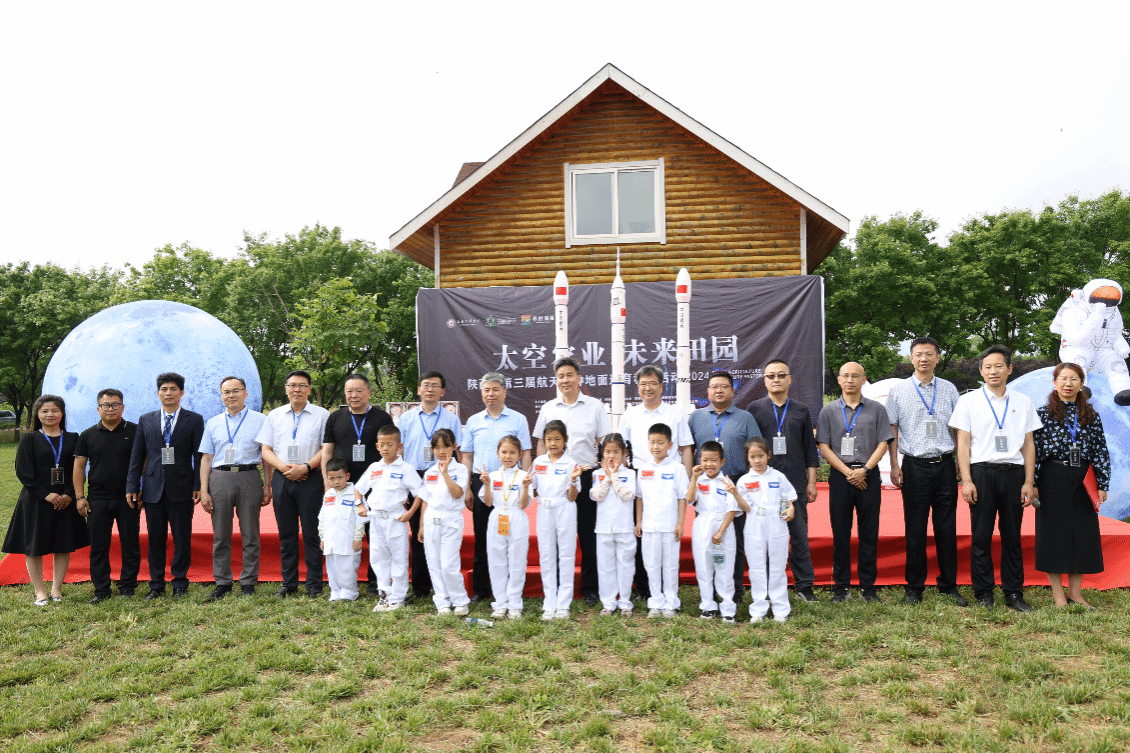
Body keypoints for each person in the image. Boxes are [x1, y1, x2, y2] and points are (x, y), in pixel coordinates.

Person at [949, 344, 1041, 611]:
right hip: (982, 473)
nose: (993, 371)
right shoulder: (968, 401)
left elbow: (1029, 445)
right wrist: (967, 480)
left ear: (1009, 369)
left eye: (999, 366)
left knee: (1012, 536)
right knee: (981, 536)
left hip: (1014, 474)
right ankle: (983, 593)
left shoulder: (1023, 401)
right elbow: (963, 444)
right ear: (980, 371)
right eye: (987, 367)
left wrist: (1029, 481)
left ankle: (1014, 593)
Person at [884, 338, 968, 606]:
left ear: (937, 358)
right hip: (914, 467)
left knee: (947, 528)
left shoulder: (949, 389)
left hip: (945, 465)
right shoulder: (898, 391)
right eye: (918, 354)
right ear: (911, 358)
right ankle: (914, 587)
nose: (924, 359)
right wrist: (894, 464)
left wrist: (960, 461)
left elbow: (959, 428)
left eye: (929, 354)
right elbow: (892, 429)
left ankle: (949, 585)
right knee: (915, 529)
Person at [532, 357, 611, 606]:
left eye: (569, 375)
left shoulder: (595, 406)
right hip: (554, 479)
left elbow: (605, 442)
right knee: (554, 536)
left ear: (579, 378)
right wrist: (539, 477)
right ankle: (554, 587)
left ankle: (590, 588)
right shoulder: (548, 408)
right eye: (560, 376)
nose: (565, 380)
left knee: (588, 535)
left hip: (586, 476)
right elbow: (541, 444)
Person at [1032, 362, 1108, 608]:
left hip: (1083, 478)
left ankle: (1075, 594)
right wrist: (1033, 482)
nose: (1068, 383)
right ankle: (1058, 595)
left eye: (1074, 379)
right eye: (1063, 378)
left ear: (1081, 384)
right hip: (1051, 477)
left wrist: (1102, 483)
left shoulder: (1091, 415)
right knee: (1053, 534)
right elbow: (1033, 450)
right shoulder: (1042, 413)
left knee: (1083, 534)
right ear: (1054, 383)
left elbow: (1100, 449)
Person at [816, 362, 893, 603]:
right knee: (840, 533)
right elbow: (824, 447)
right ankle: (841, 587)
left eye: (855, 376)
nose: (850, 380)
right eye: (846, 376)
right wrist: (849, 473)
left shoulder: (877, 409)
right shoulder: (828, 411)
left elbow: (883, 442)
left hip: (869, 475)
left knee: (869, 532)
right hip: (841, 477)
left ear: (864, 380)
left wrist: (865, 470)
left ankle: (868, 588)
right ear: (839, 380)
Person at [3, 394, 88, 605]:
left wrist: (69, 493)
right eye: (45, 411)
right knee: (34, 546)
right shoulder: (29, 439)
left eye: (54, 410)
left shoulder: (73, 438)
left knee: (63, 544)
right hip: (36, 500)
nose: (50, 414)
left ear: (62, 413)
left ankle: (56, 589)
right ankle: (40, 591)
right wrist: (46, 494)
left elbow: (78, 469)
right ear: (38, 414)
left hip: (65, 501)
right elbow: (23, 472)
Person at [126, 373, 205, 600]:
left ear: (181, 392)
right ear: (158, 393)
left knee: (182, 538)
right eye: (164, 389)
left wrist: (198, 484)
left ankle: (180, 583)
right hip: (152, 489)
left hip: (182, 487)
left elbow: (199, 455)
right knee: (155, 540)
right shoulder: (146, 419)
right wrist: (132, 485)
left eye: (173, 389)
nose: (168, 393)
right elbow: (137, 456)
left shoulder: (194, 419)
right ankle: (156, 585)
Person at [620, 365, 693, 602]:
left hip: (670, 477)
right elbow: (622, 449)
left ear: (662, 386)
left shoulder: (674, 413)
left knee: (669, 533)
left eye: (652, 383)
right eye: (643, 384)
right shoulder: (630, 414)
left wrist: (688, 481)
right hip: (640, 476)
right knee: (642, 534)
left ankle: (669, 591)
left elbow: (685, 448)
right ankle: (645, 589)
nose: (647, 388)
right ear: (637, 387)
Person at [749, 359, 820, 602]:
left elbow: (810, 449)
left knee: (799, 536)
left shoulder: (801, 410)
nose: (776, 379)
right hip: (764, 486)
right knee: (766, 538)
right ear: (765, 381)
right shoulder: (755, 409)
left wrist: (812, 482)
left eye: (781, 375)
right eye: (771, 376)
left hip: (795, 484)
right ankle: (768, 586)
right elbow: (751, 451)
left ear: (790, 379)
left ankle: (804, 585)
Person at [256, 370, 330, 598]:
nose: (297, 389)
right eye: (292, 385)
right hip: (282, 479)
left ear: (309, 389)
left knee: (311, 533)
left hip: (311, 478)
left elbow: (326, 449)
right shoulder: (275, 415)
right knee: (286, 535)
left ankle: (314, 584)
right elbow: (265, 449)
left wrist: (305, 467)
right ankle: (289, 583)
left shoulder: (322, 415)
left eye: (302, 385)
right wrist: (283, 468)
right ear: (286, 389)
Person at [688, 371, 760, 604]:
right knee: (708, 540)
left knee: (733, 541)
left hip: (735, 484)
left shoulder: (745, 417)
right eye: (714, 387)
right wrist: (692, 478)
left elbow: (755, 451)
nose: (719, 390)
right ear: (708, 391)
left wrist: (749, 484)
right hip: (705, 487)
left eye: (724, 386)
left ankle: (734, 592)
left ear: (732, 391)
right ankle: (709, 594)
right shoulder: (696, 417)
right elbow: (688, 450)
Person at [461, 372, 532, 604]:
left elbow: (526, 453)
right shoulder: (474, 421)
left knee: (510, 538)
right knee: (482, 537)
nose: (490, 394)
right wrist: (467, 487)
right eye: (486, 390)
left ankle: (512, 589)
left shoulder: (518, 419)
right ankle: (482, 590)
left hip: (510, 485)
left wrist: (526, 481)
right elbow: (467, 456)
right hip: (482, 484)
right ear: (481, 393)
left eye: (495, 389)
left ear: (504, 392)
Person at [321, 373, 394, 597]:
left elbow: (390, 450)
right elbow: (327, 451)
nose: (354, 395)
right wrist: (327, 483)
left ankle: (376, 582)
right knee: (345, 532)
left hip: (374, 487)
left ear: (369, 393)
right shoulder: (336, 417)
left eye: (359, 391)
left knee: (376, 536)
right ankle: (342, 581)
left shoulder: (381, 417)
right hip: (342, 487)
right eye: (349, 391)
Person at [198, 376, 269, 601]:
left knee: (250, 533)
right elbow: (206, 458)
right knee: (221, 535)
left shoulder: (260, 420)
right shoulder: (213, 423)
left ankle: (248, 581)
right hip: (220, 478)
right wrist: (204, 490)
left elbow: (266, 456)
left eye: (236, 390)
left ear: (245, 393)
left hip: (249, 476)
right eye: (226, 392)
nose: (231, 395)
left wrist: (267, 485)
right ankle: (223, 582)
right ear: (221, 396)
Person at [397, 371, 462, 603]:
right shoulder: (406, 418)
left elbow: (458, 450)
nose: (430, 389)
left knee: (443, 532)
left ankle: (445, 585)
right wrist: (403, 484)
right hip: (414, 475)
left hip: (442, 474)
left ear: (442, 392)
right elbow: (400, 451)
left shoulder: (451, 419)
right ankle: (421, 587)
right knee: (419, 532)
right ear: (418, 390)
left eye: (435, 386)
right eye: (426, 385)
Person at [72, 389, 140, 603]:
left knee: (130, 544)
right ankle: (101, 590)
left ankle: (128, 586)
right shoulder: (88, 435)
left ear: (122, 407)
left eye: (115, 405)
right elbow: (79, 467)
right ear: (98, 408)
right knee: (98, 547)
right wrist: (80, 497)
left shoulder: (136, 431)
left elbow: (146, 462)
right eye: (105, 405)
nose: (110, 409)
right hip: (97, 498)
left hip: (128, 497)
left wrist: (143, 488)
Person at [354, 424, 423, 612]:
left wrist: (410, 513)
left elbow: (420, 493)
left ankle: (398, 597)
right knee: (378, 558)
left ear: (399, 446)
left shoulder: (406, 468)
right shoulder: (374, 467)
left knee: (399, 558)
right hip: (376, 519)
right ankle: (384, 595)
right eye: (382, 445)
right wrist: (359, 505)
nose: (385, 448)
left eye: (390, 445)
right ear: (377, 446)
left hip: (396, 519)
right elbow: (358, 489)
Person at [734, 437, 796, 622]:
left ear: (768, 455)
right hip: (755, 522)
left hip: (776, 521)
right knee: (756, 567)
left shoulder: (778, 476)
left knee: (778, 565)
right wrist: (735, 494)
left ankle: (780, 608)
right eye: (752, 457)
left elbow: (788, 497)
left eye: (760, 456)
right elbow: (745, 507)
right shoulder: (744, 480)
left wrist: (791, 508)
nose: (757, 460)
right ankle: (758, 609)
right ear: (747, 458)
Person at [635, 423, 690, 618]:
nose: (656, 447)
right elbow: (639, 497)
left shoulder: (678, 469)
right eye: (652, 442)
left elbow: (682, 498)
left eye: (660, 442)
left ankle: (671, 602)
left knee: (670, 566)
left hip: (669, 526)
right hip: (649, 526)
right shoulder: (643, 469)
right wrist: (639, 521)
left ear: (670, 445)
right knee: (651, 565)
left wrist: (680, 523)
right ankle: (655, 602)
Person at [529, 419, 581, 620]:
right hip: (544, 510)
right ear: (543, 440)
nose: (553, 443)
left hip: (564, 508)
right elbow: (533, 488)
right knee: (546, 555)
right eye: (549, 439)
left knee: (566, 555)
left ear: (565, 440)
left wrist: (573, 479)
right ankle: (549, 602)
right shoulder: (538, 463)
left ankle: (563, 604)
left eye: (557, 439)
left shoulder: (571, 463)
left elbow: (572, 497)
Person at [481, 435, 535, 619]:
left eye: (512, 452)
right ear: (497, 454)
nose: (508, 456)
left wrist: (525, 487)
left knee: (517, 562)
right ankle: (500, 602)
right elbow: (488, 503)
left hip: (516, 517)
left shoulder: (523, 476)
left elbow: (523, 505)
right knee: (496, 561)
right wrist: (487, 485)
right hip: (497, 517)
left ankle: (515, 603)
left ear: (519, 455)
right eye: (504, 452)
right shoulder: (493, 476)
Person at [417, 428, 471, 615]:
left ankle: (460, 600)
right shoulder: (429, 473)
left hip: (451, 519)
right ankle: (442, 601)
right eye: (437, 447)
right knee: (434, 563)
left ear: (454, 446)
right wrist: (421, 526)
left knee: (449, 564)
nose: (442, 451)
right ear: (432, 449)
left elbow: (457, 494)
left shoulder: (461, 469)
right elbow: (425, 500)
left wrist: (446, 473)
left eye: (446, 446)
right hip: (432, 519)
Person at [687, 440, 739, 622]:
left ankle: (727, 608)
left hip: (722, 528)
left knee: (723, 567)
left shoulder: (726, 482)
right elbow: (689, 499)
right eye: (705, 460)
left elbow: (732, 509)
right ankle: (708, 606)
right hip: (702, 526)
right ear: (700, 461)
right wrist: (694, 478)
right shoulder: (698, 480)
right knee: (703, 566)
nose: (709, 464)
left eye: (714, 460)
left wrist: (720, 532)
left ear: (722, 462)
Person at [591, 433, 637, 616]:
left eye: (616, 452)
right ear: (602, 453)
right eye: (608, 452)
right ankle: (608, 603)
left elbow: (627, 495)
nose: (611, 456)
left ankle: (625, 602)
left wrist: (615, 476)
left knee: (626, 565)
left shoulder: (630, 474)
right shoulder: (597, 474)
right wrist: (608, 477)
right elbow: (597, 496)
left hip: (625, 527)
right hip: (603, 528)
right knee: (605, 566)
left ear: (624, 453)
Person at [318, 458, 368, 602]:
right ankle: (335, 590)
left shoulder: (355, 494)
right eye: (332, 478)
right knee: (332, 567)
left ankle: (349, 591)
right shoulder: (328, 495)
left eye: (340, 477)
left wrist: (357, 538)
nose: (336, 482)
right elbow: (322, 518)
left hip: (347, 540)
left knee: (347, 568)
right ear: (327, 478)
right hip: (331, 540)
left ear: (347, 476)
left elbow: (360, 518)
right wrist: (323, 538)